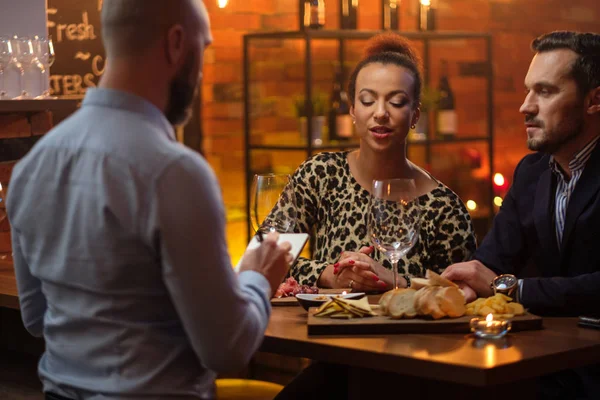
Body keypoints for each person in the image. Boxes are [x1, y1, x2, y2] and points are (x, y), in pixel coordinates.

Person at [6, 1, 292, 399]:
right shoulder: (175, 173)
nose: (203, 69)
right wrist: (259, 275)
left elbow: (36, 318)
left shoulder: (30, 167)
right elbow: (227, 350)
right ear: (176, 44)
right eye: (203, 49)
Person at [441, 31, 600, 399]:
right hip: (543, 361)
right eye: (529, 90)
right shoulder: (531, 172)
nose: (525, 106)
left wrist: (512, 288)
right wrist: (403, 285)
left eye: (545, 92)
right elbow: (489, 265)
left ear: (594, 100)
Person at [267, 32, 476, 292]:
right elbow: (263, 258)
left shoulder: (445, 208)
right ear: (353, 109)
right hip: (326, 331)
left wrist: (394, 281)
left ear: (415, 115)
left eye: (397, 102)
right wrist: (328, 275)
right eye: (367, 100)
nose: (380, 113)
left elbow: (461, 293)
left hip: (410, 334)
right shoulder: (320, 175)